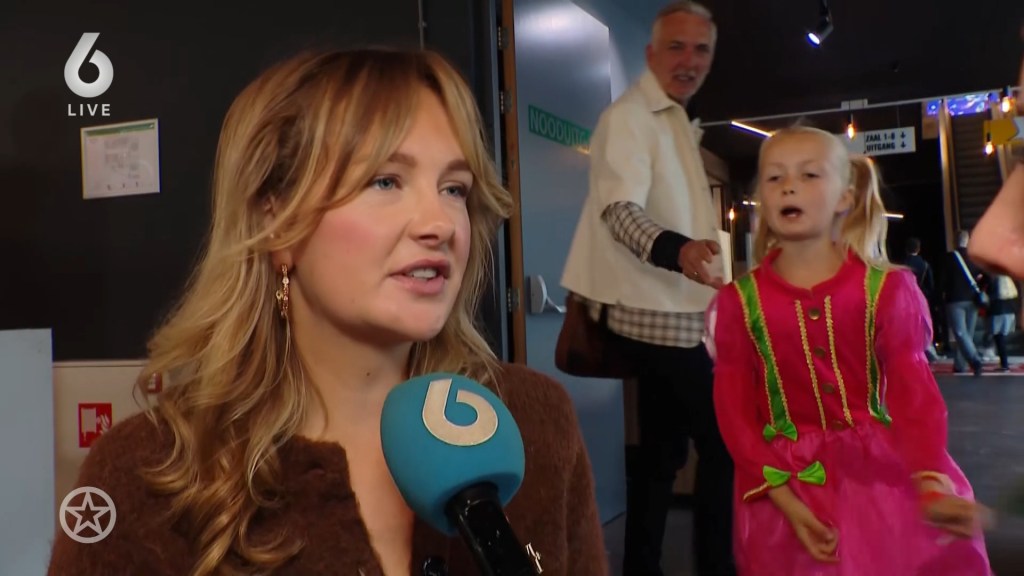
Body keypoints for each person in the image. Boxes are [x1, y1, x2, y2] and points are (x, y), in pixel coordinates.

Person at [47, 48, 607, 576]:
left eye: (454, 189)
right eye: (385, 181)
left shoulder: (534, 422)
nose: (439, 223)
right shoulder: (147, 474)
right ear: (276, 223)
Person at [706, 125, 992, 575]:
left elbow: (914, 395)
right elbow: (734, 410)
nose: (789, 186)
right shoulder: (737, 303)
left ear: (845, 196)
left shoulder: (887, 290)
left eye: (809, 174)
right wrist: (782, 496)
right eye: (775, 177)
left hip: (880, 478)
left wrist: (930, 479)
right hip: (783, 484)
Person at [561, 2, 735, 574]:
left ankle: (642, 565)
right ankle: (716, 566)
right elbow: (619, 209)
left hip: (677, 309)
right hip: (651, 310)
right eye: (676, 47)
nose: (690, 60)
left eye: (702, 49)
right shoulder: (631, 116)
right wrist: (676, 250)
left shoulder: (674, 120)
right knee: (723, 443)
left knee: (661, 453)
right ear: (650, 53)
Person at [942, 230, 987, 375]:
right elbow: (986, 275)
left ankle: (975, 360)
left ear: (955, 241)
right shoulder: (974, 258)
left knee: (960, 333)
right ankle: (960, 364)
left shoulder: (949, 258)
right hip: (972, 299)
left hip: (954, 300)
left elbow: (942, 280)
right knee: (968, 333)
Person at [904, 237, 941, 361]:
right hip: (922, 298)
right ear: (919, 249)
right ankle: (927, 349)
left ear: (906, 249)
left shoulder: (901, 265)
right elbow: (931, 285)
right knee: (924, 325)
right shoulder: (925, 265)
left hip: (906, 299)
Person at [987, 273, 1019, 372]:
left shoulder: (994, 277)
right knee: (1001, 337)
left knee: (998, 337)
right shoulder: (1009, 278)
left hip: (997, 309)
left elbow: (990, 293)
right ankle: (1004, 363)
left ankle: (1004, 364)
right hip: (1009, 308)